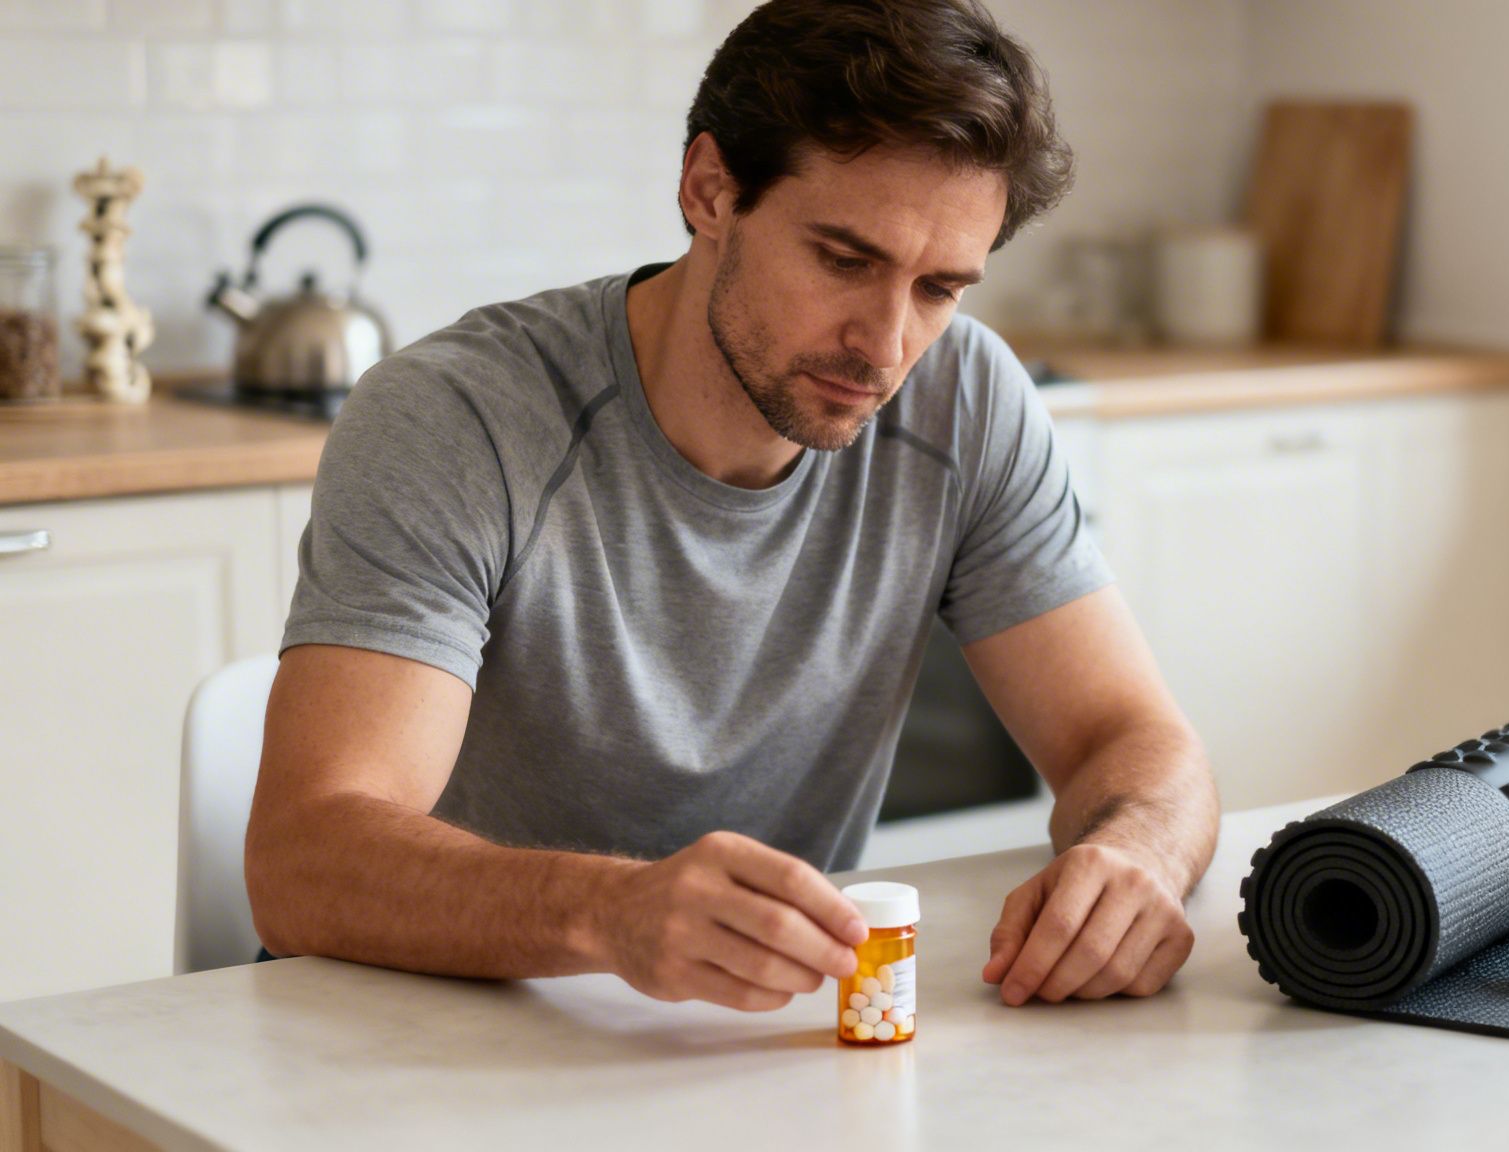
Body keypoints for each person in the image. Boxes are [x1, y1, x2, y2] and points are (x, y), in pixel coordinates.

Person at [244, 0, 1219, 1013]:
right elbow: (301, 860)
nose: (884, 347)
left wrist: (1134, 853)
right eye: (845, 261)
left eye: (938, 289)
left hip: (746, 1043)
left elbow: (1135, 741)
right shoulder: (460, 418)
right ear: (709, 190)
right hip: (429, 1025)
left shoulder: (964, 400)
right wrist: (611, 912)